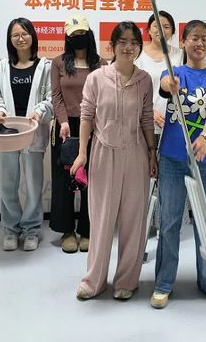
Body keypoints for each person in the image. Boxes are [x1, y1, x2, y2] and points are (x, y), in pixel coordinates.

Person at [71, 21, 157, 301]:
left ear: (139, 47)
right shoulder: (97, 78)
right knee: (101, 220)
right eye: (123, 42)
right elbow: (86, 116)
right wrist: (82, 152)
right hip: (102, 153)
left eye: (134, 42)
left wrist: (152, 152)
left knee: (133, 220)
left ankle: (127, 280)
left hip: (135, 153)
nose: (128, 47)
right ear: (112, 46)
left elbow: (146, 118)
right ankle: (94, 281)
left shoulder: (144, 80)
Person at [151, 20, 206, 309]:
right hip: (172, 158)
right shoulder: (173, 73)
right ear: (183, 42)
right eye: (194, 38)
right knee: (169, 222)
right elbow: (165, 85)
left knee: (205, 222)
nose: (199, 43)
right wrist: (169, 84)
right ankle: (163, 283)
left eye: (204, 39)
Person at [0, 18, 53, 251]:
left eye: (24, 33)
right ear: (9, 39)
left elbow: (52, 97)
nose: (20, 38)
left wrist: (40, 111)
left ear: (33, 36)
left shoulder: (45, 67)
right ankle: (10, 230)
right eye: (15, 35)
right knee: (8, 183)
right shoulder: (3, 67)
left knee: (33, 184)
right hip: (7, 135)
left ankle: (32, 230)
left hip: (33, 133)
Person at [50, 14, 106, 253]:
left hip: (94, 126)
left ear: (89, 34)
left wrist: (94, 122)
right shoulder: (59, 63)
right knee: (64, 180)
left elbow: (105, 96)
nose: (78, 38)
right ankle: (66, 231)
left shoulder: (101, 63)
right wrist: (63, 121)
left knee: (92, 179)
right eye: (73, 35)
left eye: (82, 33)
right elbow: (56, 96)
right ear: (67, 37)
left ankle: (87, 229)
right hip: (65, 127)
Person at [134, 10, 184, 231]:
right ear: (148, 29)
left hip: (172, 124)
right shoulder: (138, 54)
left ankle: (164, 223)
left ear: (172, 31)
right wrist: (150, 112)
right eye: (156, 25)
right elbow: (133, 89)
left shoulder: (179, 55)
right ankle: (143, 225)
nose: (161, 30)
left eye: (166, 26)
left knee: (169, 177)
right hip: (144, 122)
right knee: (144, 175)